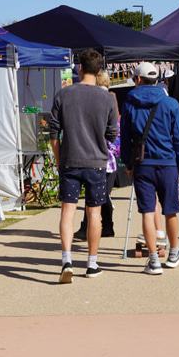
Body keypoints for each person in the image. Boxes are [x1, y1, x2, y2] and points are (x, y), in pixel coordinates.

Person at [48, 49, 119, 283]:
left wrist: (59, 160)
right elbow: (112, 134)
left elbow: (53, 134)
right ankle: (92, 262)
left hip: (70, 159)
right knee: (94, 213)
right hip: (96, 162)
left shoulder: (63, 94)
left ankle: (66, 259)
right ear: (99, 71)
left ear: (79, 67)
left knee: (67, 211)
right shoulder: (108, 98)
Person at [121, 62, 179, 275]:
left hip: (142, 164)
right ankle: (174, 252)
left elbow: (125, 137)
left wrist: (128, 164)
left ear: (138, 79)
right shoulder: (170, 103)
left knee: (147, 212)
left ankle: (153, 260)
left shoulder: (130, 103)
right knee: (170, 211)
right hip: (167, 162)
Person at [75, 70, 119, 239]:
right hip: (107, 156)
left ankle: (88, 227)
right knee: (101, 194)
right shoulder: (110, 98)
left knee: (95, 196)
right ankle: (106, 226)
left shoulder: (102, 99)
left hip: (100, 155)